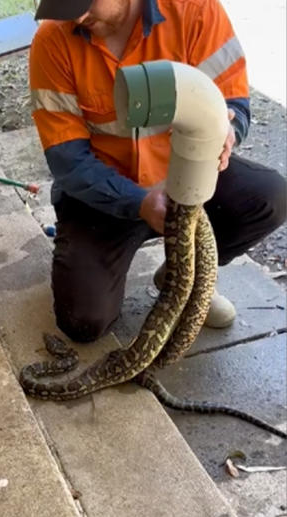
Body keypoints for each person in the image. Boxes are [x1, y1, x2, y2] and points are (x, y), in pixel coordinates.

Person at [29, 0, 286, 343]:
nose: (77, 16)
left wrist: (228, 131)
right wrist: (139, 202)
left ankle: (184, 278)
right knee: (83, 321)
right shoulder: (52, 41)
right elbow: (68, 161)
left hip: (185, 173)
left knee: (271, 197)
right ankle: (162, 266)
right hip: (103, 194)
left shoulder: (194, 10)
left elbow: (234, 101)